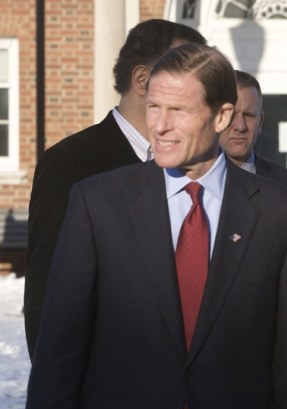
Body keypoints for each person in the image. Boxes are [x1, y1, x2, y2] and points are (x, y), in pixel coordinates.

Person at [19, 43, 287, 409]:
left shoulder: (283, 213)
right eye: (154, 107)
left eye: (178, 110)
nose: (158, 125)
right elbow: (61, 346)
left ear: (222, 116)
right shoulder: (98, 203)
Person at [24, 19, 207, 360]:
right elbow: (49, 294)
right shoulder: (72, 162)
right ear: (142, 80)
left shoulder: (200, 161)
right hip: (108, 390)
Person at [219, 70, 287, 206]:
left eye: (249, 115)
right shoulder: (188, 186)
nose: (240, 126)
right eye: (231, 115)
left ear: (261, 122)